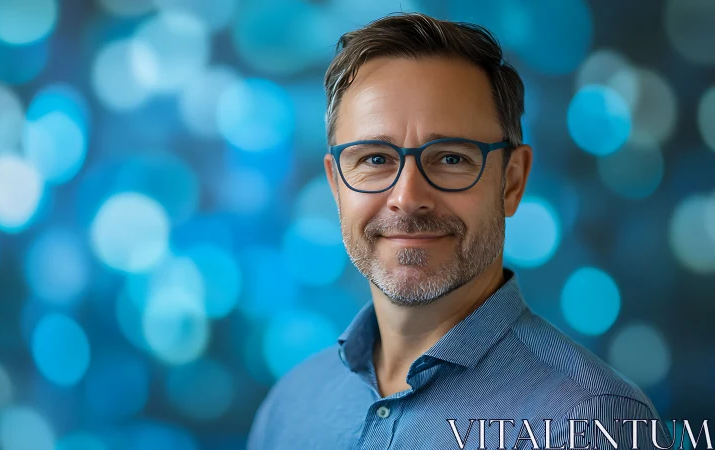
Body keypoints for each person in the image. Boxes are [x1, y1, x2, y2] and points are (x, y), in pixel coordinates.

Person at [248, 12, 673, 450]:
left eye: (450, 158)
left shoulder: (590, 423)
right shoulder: (289, 407)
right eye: (375, 159)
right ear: (337, 184)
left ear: (511, 182)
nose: (408, 197)